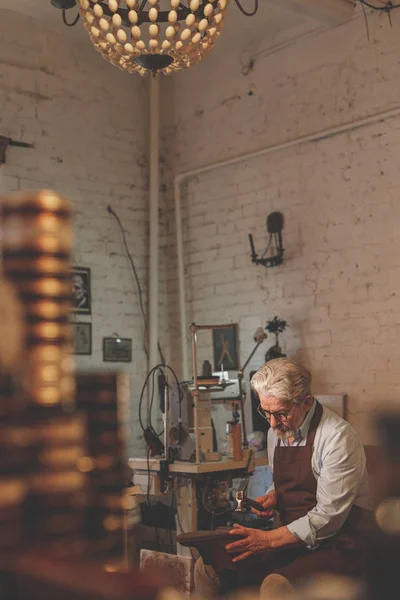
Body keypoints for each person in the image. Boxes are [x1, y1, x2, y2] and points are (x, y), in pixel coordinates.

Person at [195, 358, 371, 598]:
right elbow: (287, 478)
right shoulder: (275, 431)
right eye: (265, 412)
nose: (273, 423)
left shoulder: (338, 438)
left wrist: (266, 539)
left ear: (306, 402)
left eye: (281, 413)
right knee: (210, 566)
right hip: (293, 540)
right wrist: (273, 494)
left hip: (338, 544)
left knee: (276, 584)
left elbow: (328, 518)